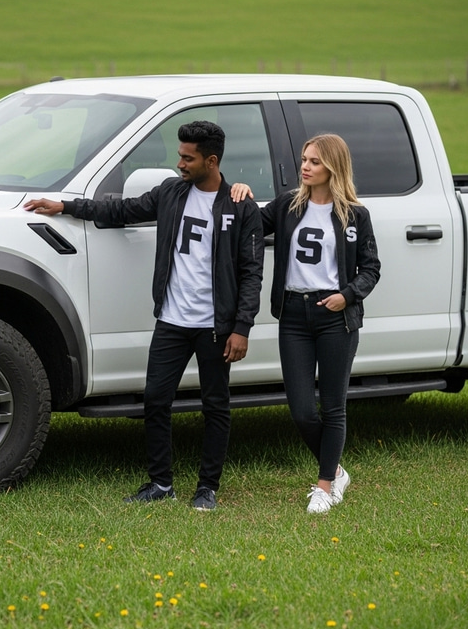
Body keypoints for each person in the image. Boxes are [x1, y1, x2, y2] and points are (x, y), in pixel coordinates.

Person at [25, 120, 263, 510]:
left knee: (215, 405)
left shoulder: (240, 205)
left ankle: (207, 489)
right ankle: (160, 483)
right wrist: (65, 206)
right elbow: (121, 209)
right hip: (172, 320)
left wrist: (241, 328)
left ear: (212, 160)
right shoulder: (170, 192)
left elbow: (252, 272)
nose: (180, 163)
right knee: (155, 400)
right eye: (180, 155)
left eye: (188, 158)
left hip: (215, 327)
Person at [233, 133, 380, 514]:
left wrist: (346, 295)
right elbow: (248, 224)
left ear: (333, 166)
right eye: (304, 159)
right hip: (294, 315)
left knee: (333, 406)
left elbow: (371, 268)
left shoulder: (355, 215)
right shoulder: (287, 205)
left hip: (335, 316)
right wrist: (243, 193)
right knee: (301, 410)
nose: (305, 166)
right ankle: (337, 470)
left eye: (314, 161)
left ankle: (325, 484)